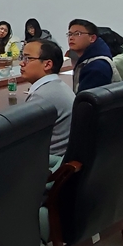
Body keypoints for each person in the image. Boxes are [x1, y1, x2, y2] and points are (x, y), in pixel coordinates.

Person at [20, 39, 75, 168]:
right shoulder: (57, 86)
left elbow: (25, 140)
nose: (21, 63)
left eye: (28, 58)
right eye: (21, 58)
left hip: (49, 164)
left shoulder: (43, 96)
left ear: (47, 64)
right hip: (60, 158)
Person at [67, 19, 121, 93]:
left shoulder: (96, 67)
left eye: (77, 34)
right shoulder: (88, 59)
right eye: (70, 34)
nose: (71, 38)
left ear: (92, 38)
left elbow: (85, 98)